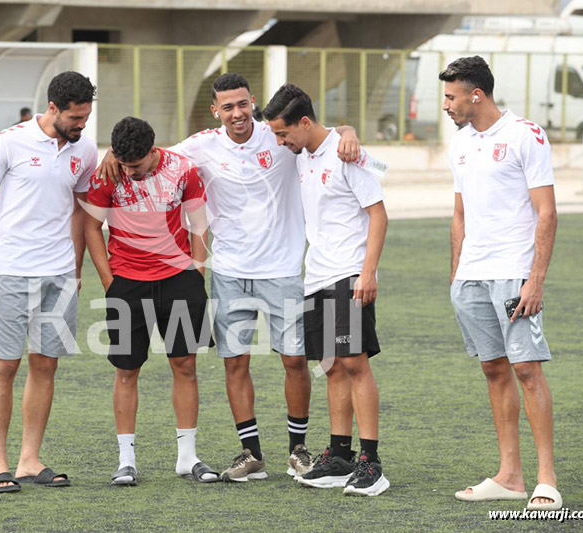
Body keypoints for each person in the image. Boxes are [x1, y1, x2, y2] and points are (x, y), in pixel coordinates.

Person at [98, 73, 361, 482]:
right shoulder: (200, 147)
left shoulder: (279, 136)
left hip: (285, 267)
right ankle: (251, 454)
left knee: (294, 360)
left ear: (253, 102)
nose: (237, 113)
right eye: (228, 106)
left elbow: (322, 135)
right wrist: (112, 154)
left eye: (243, 104)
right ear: (215, 110)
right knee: (234, 363)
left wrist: (349, 130)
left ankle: (298, 450)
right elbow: (151, 153)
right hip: (230, 272)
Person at [0, 71, 97, 494]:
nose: (82, 125)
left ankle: (29, 459)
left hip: (58, 273)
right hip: (10, 271)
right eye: (76, 117)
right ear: (53, 109)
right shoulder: (9, 141)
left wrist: (75, 269)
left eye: (87, 117)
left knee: (45, 364)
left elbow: (80, 210)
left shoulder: (84, 149)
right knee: (5, 364)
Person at [441, 56, 561, 511]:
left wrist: (536, 279)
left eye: (452, 97)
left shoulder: (524, 134)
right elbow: (460, 214)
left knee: (527, 370)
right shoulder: (461, 144)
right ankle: (510, 475)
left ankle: (546, 478)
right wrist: (457, 275)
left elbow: (546, 212)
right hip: (471, 277)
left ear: (477, 94)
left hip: (514, 273)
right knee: (493, 370)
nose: (447, 105)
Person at [263, 83, 390, 496]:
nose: (281, 143)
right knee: (332, 367)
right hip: (315, 276)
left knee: (355, 364)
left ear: (303, 122)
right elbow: (324, 133)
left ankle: (371, 463)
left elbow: (378, 214)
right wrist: (344, 127)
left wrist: (368, 272)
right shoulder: (304, 154)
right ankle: (339, 456)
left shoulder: (346, 152)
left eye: (284, 134)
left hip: (349, 274)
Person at [85, 117, 218, 486]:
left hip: (179, 281)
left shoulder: (183, 169)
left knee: (185, 365)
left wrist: (197, 271)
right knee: (127, 370)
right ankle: (126, 460)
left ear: (153, 149)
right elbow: (91, 225)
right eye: (125, 164)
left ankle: (187, 457)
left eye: (137, 165)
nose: (131, 171)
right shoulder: (109, 174)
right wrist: (109, 280)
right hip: (127, 283)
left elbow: (198, 220)